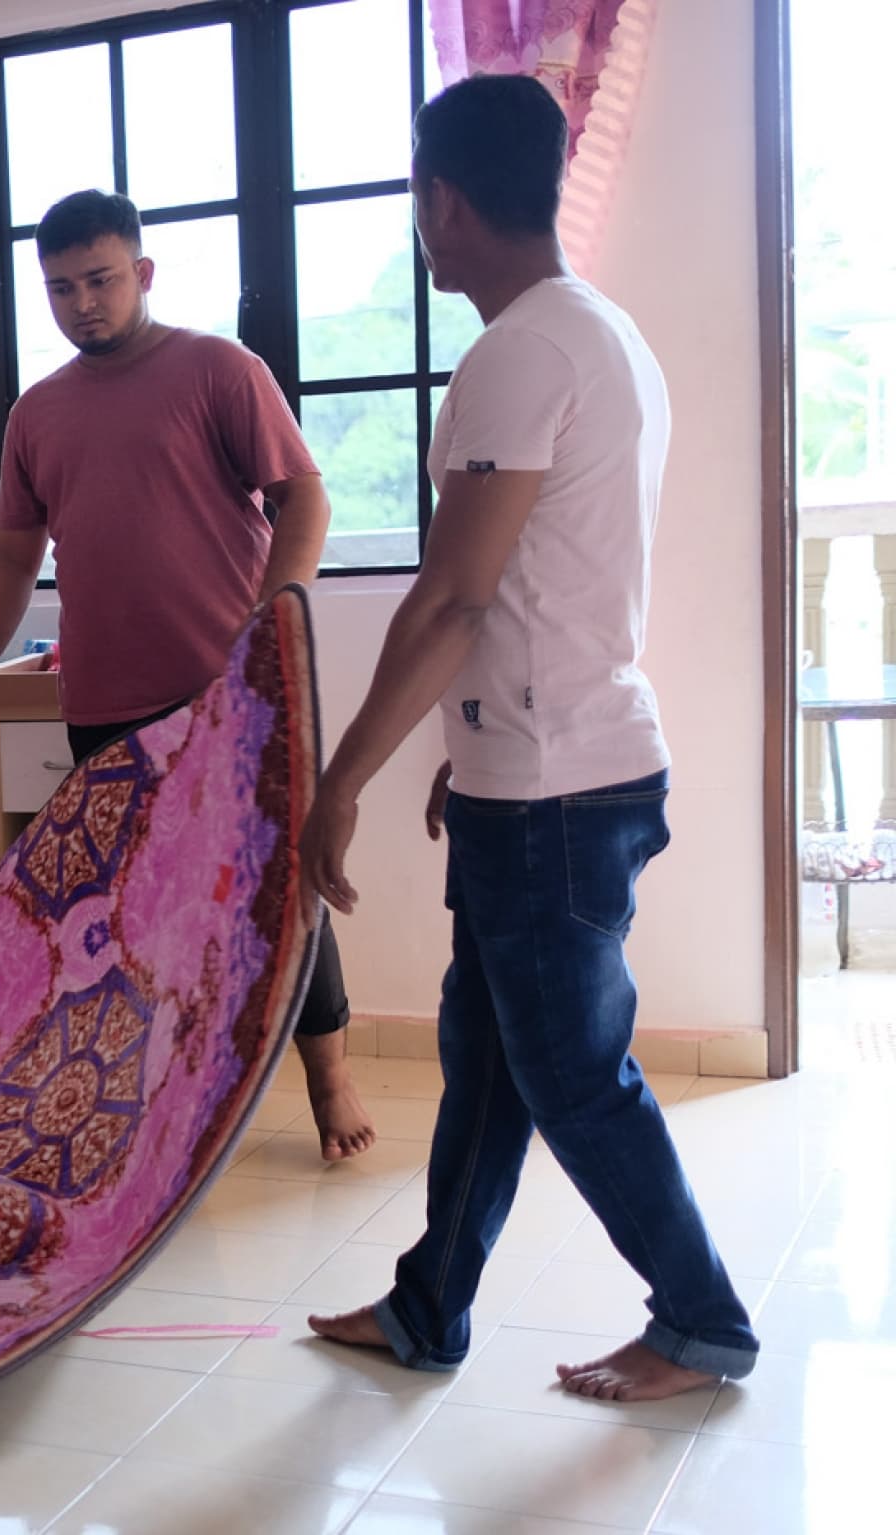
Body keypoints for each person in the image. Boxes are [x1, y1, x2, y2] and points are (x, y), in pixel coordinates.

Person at [303, 76, 759, 1400]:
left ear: (445, 199)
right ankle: (428, 1303)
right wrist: (470, 742)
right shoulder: (595, 333)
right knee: (491, 1062)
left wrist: (342, 783)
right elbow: (551, 579)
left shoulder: (521, 352)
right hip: (546, 769)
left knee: (570, 1074)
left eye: (418, 203)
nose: (420, 230)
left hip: (558, 789)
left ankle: (703, 1318)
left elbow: (456, 592)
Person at [0, 189, 377, 1162]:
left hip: (232, 697)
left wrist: (274, 619)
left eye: (102, 279)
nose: (83, 302)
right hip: (106, 706)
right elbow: (6, 563)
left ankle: (329, 1078)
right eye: (62, 287)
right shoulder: (36, 415)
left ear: (143, 273)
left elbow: (305, 497)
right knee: (133, 912)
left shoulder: (217, 370)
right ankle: (171, 1095)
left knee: (276, 892)